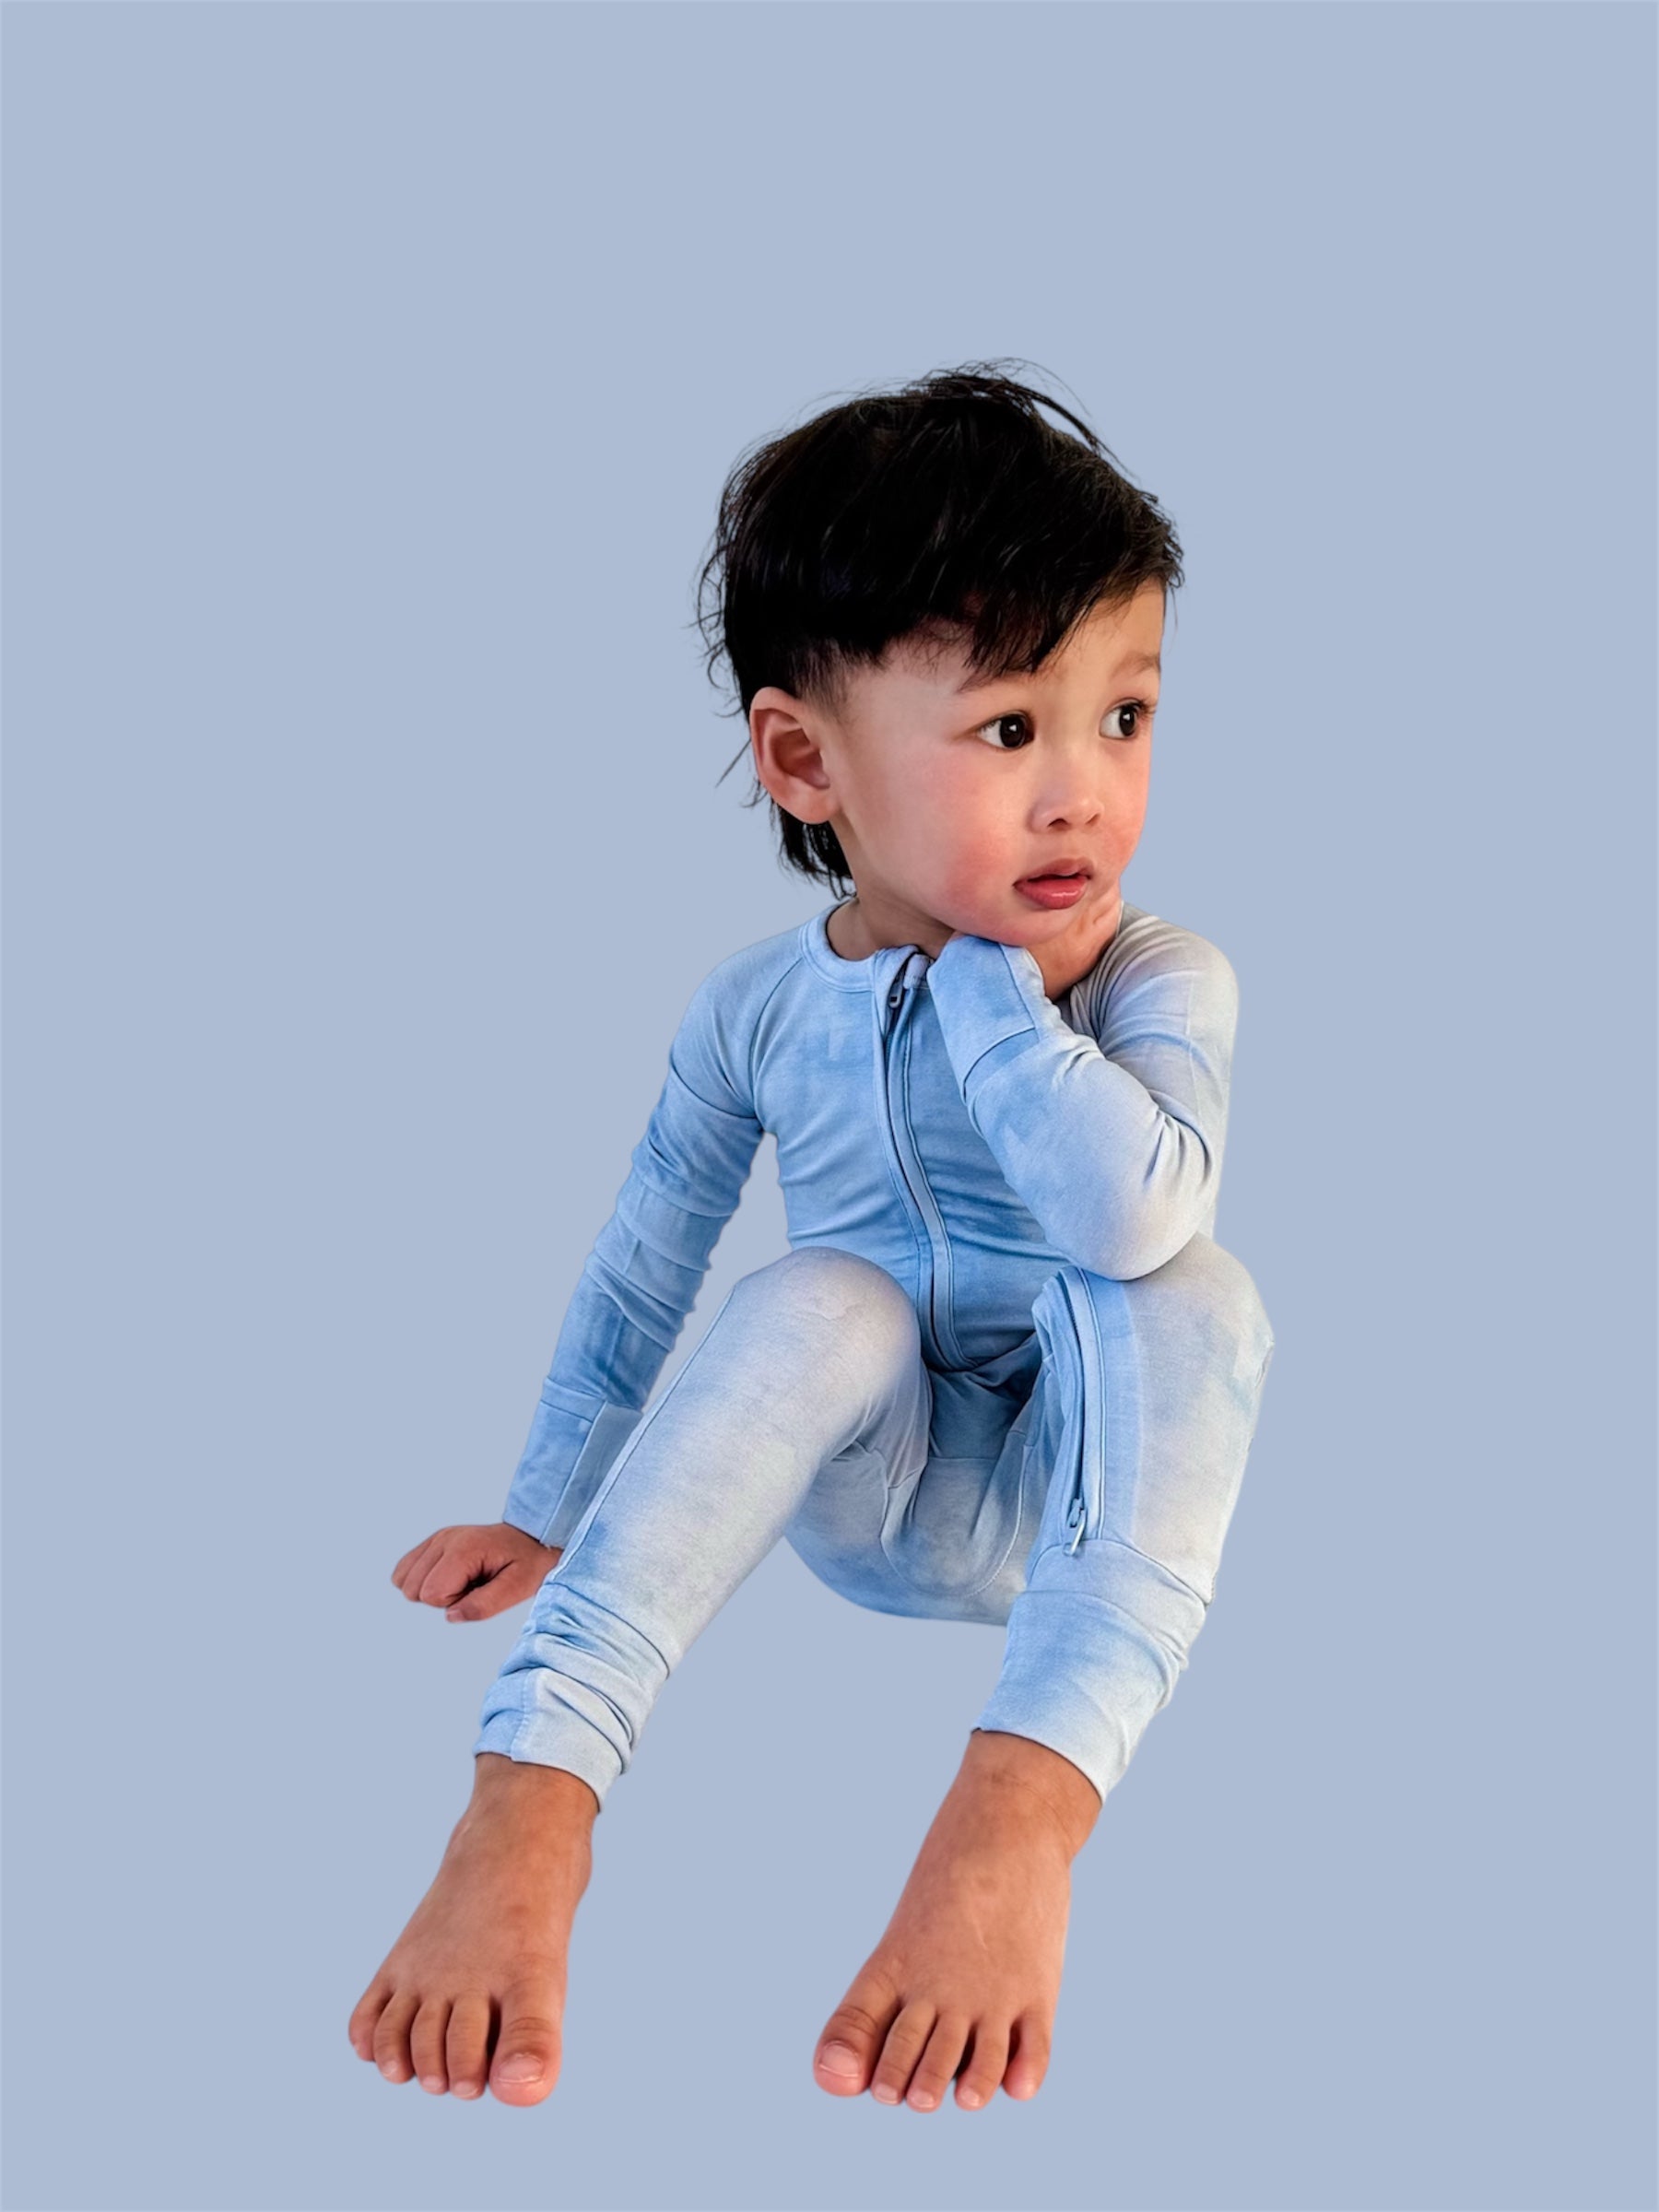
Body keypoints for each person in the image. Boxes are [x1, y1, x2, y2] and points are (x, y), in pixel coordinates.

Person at [347, 360, 1277, 2115]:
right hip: (870, 1488)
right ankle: (534, 1787)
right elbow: (647, 1257)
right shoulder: (756, 1010)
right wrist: (544, 1505)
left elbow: (1130, 1210)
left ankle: (1018, 1811)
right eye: (1011, 731)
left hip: (1079, 1506)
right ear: (803, 760)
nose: (1083, 793)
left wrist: (988, 992)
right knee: (821, 1292)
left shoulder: (1161, 979)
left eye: (1126, 715)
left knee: (1196, 1290)